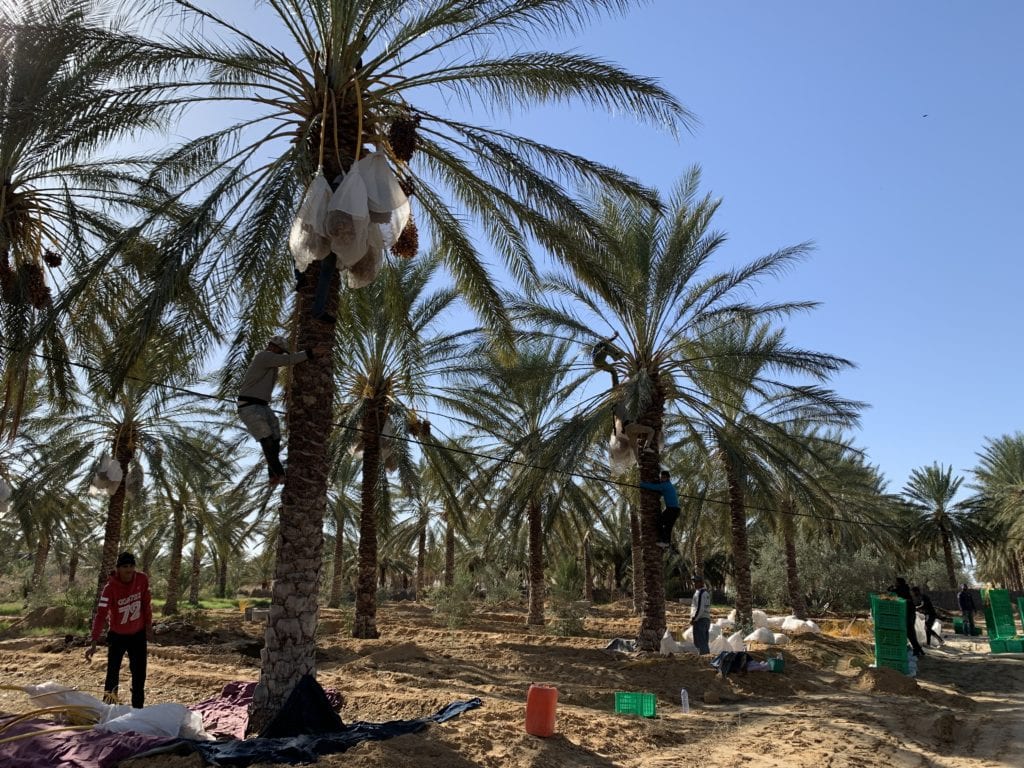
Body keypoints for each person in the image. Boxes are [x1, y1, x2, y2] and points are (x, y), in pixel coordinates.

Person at [237, 334, 317, 485]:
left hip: (262, 406)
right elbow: (287, 360)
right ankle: (280, 474)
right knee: (266, 439)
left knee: (275, 439)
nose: (280, 355)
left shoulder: (270, 362)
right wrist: (310, 353)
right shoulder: (264, 356)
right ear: (273, 347)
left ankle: (272, 475)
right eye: (280, 351)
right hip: (249, 406)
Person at [86, 552, 153, 708]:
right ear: (118, 569)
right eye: (124, 567)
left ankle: (138, 708)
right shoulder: (109, 589)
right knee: (112, 672)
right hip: (117, 636)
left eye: (131, 566)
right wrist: (94, 640)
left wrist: (149, 626)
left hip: (137, 635)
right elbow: (101, 614)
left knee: (139, 673)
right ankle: (109, 706)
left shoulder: (142, 579)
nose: (129, 570)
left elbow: (146, 603)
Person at [638, 470, 681, 548]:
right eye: (661, 477)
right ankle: (666, 542)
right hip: (675, 510)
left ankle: (664, 541)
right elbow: (661, 491)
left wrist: (641, 484)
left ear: (668, 478)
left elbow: (653, 487)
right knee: (668, 526)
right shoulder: (668, 485)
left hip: (672, 510)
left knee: (659, 522)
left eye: (664, 477)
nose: (661, 479)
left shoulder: (665, 485)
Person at [891, 577, 924, 657]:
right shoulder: (904, 588)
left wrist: (892, 589)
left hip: (908, 613)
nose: (895, 583)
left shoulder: (902, 589)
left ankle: (917, 650)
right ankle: (919, 650)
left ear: (898, 583)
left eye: (896, 582)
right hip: (909, 613)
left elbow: (896, 593)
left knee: (909, 633)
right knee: (910, 633)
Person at [690, 575, 711, 655]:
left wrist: (694, 619)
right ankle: (706, 657)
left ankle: (704, 658)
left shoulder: (701, 593)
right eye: (694, 582)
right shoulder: (705, 593)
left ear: (701, 583)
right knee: (703, 641)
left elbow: (700, 608)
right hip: (705, 619)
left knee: (700, 641)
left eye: (696, 582)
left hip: (700, 619)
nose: (695, 584)